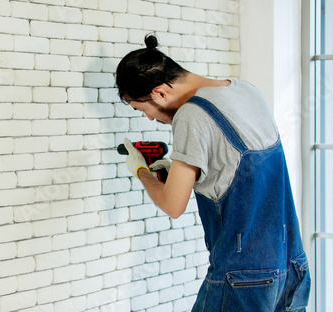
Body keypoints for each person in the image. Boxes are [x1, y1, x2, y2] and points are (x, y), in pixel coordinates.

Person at [116, 35, 311, 311]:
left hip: (244, 279)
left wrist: (141, 171)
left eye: (142, 109)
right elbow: (236, 171)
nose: (150, 118)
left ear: (159, 92)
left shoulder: (191, 114)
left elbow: (173, 205)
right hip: (292, 265)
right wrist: (180, 175)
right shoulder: (244, 90)